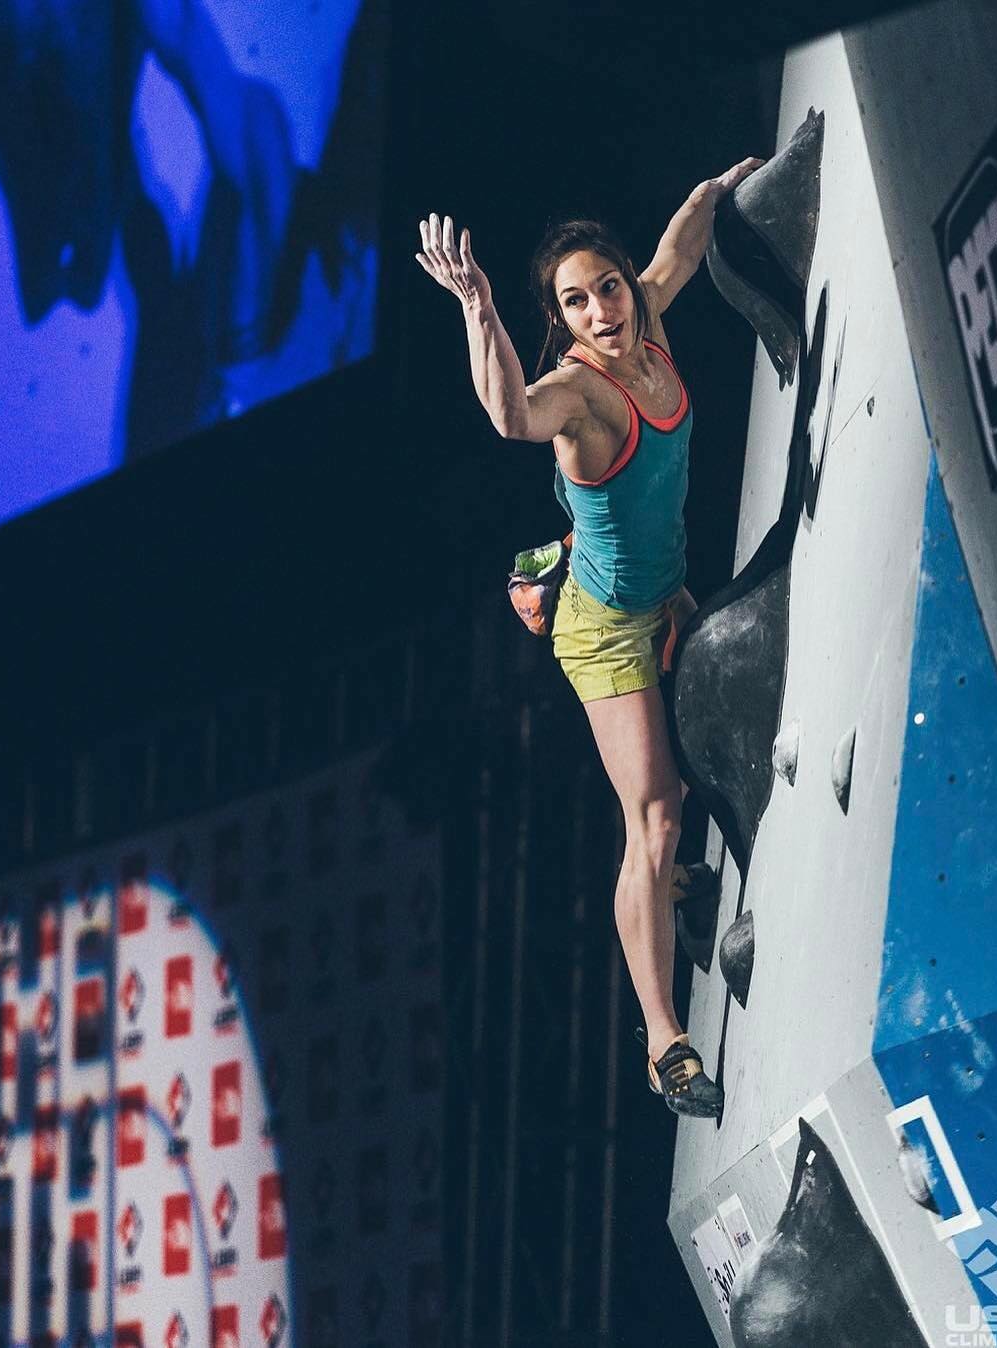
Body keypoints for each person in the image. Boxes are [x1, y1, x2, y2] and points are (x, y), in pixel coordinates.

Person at [415, 157, 762, 1116]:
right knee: (651, 819)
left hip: (663, 591)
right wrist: (479, 306)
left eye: (606, 287)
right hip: (604, 630)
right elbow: (509, 415)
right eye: (576, 303)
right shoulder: (578, 393)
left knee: (692, 775)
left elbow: (679, 251)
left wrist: (719, 188)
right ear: (560, 321)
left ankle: (677, 894)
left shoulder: (643, 318)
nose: (602, 311)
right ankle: (665, 1046)